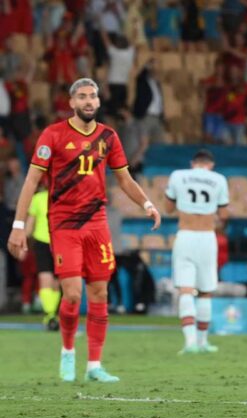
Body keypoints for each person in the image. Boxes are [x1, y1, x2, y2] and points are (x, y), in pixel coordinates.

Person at [6, 78, 161, 383]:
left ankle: (94, 365)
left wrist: (147, 204)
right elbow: (31, 181)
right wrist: (19, 225)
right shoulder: (53, 135)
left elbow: (124, 179)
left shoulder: (108, 136)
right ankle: (67, 351)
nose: (88, 101)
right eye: (82, 97)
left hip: (97, 223)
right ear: (72, 103)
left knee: (100, 292)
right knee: (73, 293)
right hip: (64, 223)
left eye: (92, 96)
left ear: (99, 102)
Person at [164, 149, 229, 354]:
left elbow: (168, 209)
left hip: (185, 235)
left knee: (185, 289)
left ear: (193, 163)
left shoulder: (177, 176)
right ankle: (202, 342)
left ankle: (190, 342)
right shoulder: (219, 179)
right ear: (211, 165)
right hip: (207, 237)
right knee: (205, 291)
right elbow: (224, 214)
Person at [26, 182, 61, 330]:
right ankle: (52, 315)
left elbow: (30, 225)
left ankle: (50, 315)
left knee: (48, 280)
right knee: (54, 281)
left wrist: (23, 241)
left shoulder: (38, 198)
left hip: (46, 242)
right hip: (57, 242)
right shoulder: (63, 197)